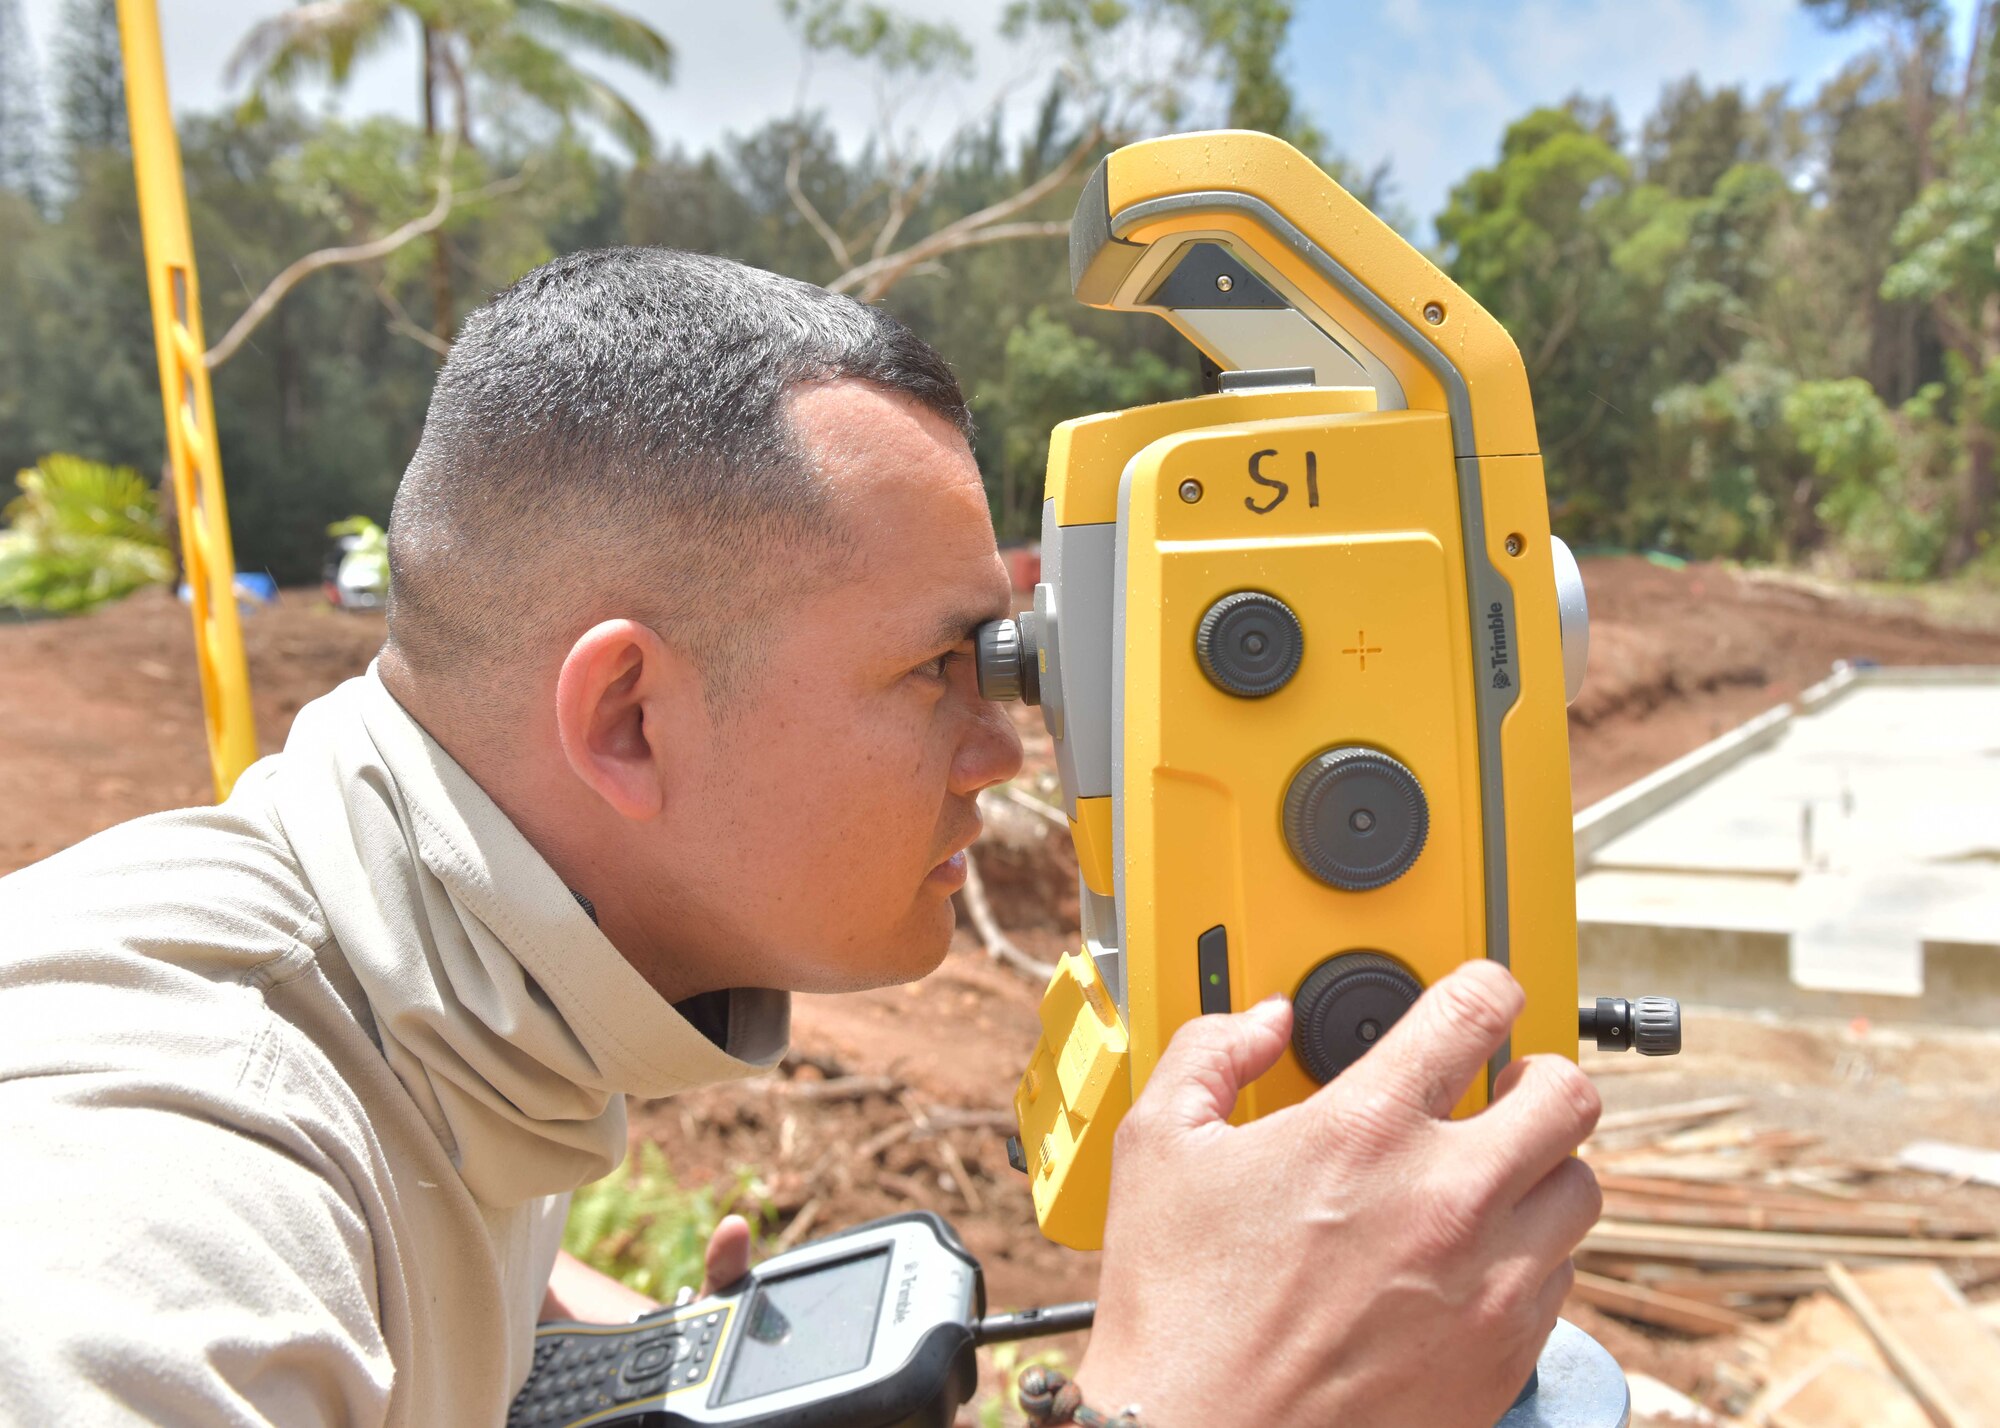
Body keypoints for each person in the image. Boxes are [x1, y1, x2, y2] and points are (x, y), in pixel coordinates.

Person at [0, 248, 1601, 1428]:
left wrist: (557, 1361)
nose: (1000, 751)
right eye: (936, 670)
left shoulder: (474, 997)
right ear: (628, 717)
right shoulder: (164, 1168)